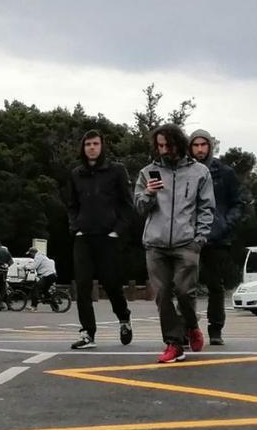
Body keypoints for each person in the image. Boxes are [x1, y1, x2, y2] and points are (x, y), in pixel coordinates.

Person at [135, 124, 215, 364]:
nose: (164, 150)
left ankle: (191, 326)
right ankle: (173, 343)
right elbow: (139, 207)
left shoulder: (200, 172)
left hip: (186, 243)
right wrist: (148, 193)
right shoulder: (147, 172)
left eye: (168, 145)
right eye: (159, 146)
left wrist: (199, 239)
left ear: (178, 144)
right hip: (155, 243)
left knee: (184, 292)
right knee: (161, 294)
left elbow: (207, 208)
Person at [67, 130, 135, 350]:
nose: (92, 147)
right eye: (88, 144)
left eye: (95, 143)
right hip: (83, 237)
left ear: (102, 146)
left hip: (108, 237)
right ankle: (88, 333)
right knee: (83, 286)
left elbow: (127, 204)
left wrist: (118, 230)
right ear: (83, 147)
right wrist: (75, 227)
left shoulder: (116, 171)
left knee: (112, 284)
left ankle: (124, 319)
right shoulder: (77, 173)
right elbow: (72, 205)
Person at [189, 129, 244, 346]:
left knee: (215, 285)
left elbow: (238, 203)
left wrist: (225, 224)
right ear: (190, 147)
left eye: (204, 145)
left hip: (216, 237)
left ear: (210, 146)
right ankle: (188, 326)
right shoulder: (184, 170)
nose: (200, 149)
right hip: (188, 236)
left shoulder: (225, 172)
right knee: (185, 285)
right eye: (196, 145)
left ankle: (215, 329)